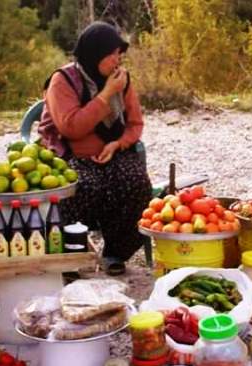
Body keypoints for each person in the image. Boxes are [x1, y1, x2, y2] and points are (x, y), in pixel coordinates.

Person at [40, 21, 152, 276]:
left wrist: (118, 143)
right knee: (82, 186)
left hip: (112, 153)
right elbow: (71, 128)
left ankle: (115, 252)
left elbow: (135, 124)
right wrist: (105, 95)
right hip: (71, 156)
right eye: (112, 54)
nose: (117, 61)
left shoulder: (121, 80)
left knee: (134, 182)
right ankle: (71, 255)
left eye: (119, 55)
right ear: (95, 54)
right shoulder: (63, 80)